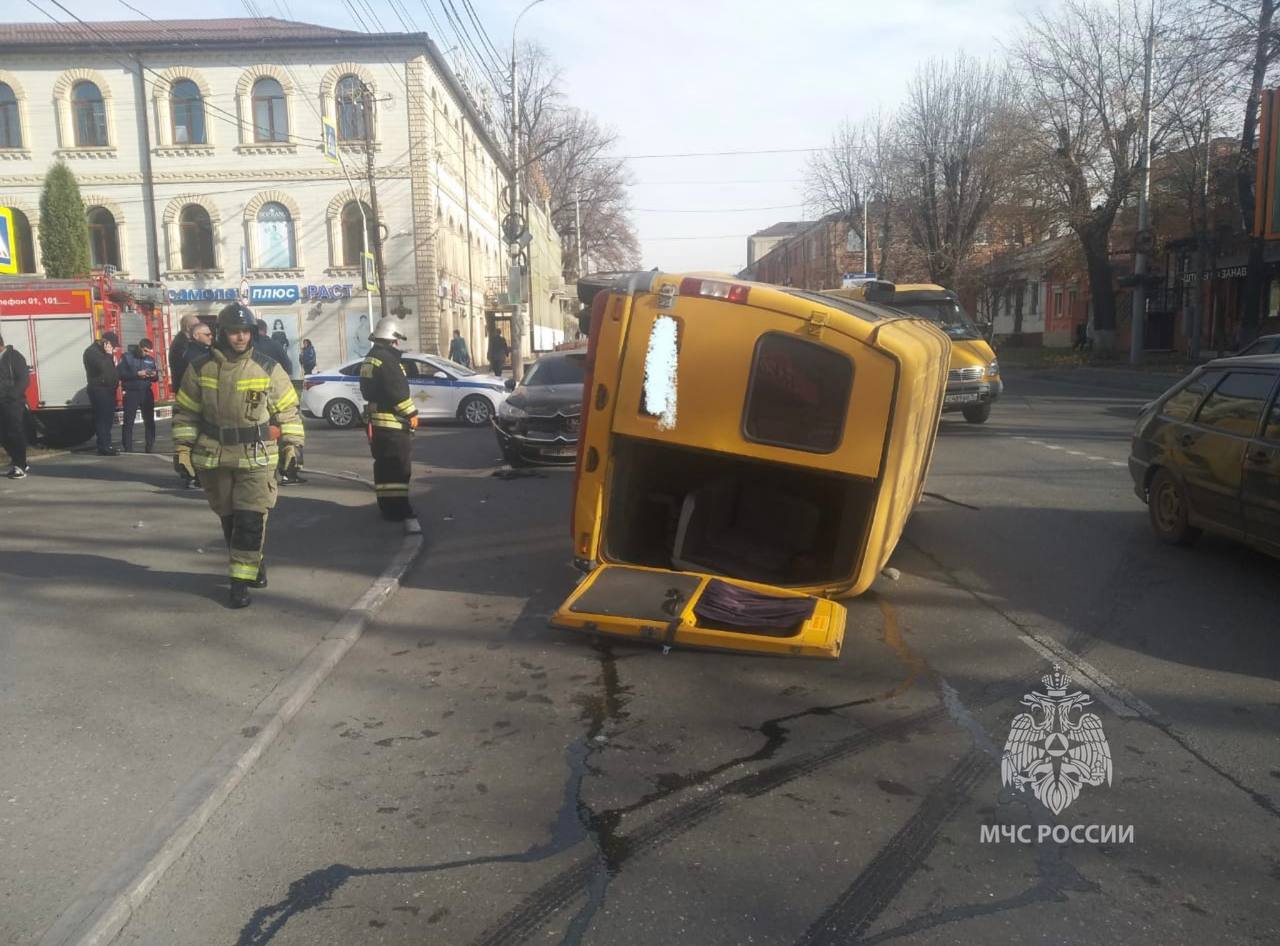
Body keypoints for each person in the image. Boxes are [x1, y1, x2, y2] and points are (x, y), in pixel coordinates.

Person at [172, 303, 305, 609]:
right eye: (234, 332)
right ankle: (253, 563)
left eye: (245, 331)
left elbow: (288, 411)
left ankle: (238, 583)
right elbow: (186, 414)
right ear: (222, 333)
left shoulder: (268, 368)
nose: (241, 337)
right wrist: (181, 450)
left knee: (250, 520)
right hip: (214, 459)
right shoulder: (199, 369)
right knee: (230, 521)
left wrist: (293, 445)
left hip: (257, 458)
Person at [360, 317, 420, 534]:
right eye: (397, 341)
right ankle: (400, 508)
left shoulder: (370, 358)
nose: (398, 346)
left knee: (384, 468)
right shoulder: (387, 360)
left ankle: (387, 508)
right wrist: (411, 413)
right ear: (392, 339)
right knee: (399, 468)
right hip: (393, 425)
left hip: (377, 425)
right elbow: (398, 392)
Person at [118, 338, 159, 453]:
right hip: (131, 391)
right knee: (129, 421)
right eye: (145, 351)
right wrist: (136, 374)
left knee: (149, 420)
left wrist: (153, 375)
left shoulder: (150, 360)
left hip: (146, 391)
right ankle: (128, 448)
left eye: (149, 351)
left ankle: (150, 446)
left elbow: (156, 378)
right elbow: (121, 374)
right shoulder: (127, 357)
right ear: (140, 347)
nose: (147, 353)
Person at [83, 331, 121, 456]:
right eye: (113, 345)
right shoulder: (91, 352)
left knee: (108, 419)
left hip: (109, 389)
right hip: (99, 389)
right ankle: (103, 446)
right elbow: (102, 367)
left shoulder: (105, 354)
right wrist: (108, 355)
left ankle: (107, 444)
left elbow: (112, 370)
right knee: (102, 418)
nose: (114, 348)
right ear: (106, 343)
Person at [0, 333, 31, 479]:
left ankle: (20, 465)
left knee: (15, 433)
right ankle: (19, 462)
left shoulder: (14, 357)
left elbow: (24, 379)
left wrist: (12, 395)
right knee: (4, 435)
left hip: (13, 403)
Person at [170, 314, 201, 390]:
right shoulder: (181, 343)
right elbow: (191, 362)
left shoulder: (184, 340)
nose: (200, 328)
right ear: (188, 327)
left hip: (186, 384)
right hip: (185, 386)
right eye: (197, 325)